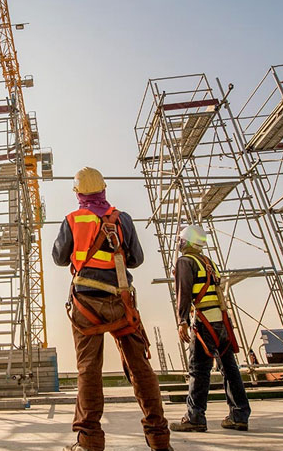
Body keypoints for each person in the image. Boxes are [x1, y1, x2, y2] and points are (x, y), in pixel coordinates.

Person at [53, 167, 171, 451]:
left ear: (78, 193)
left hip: (86, 304)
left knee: (88, 369)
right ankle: (159, 439)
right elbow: (137, 260)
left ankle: (89, 441)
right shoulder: (123, 219)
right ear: (104, 189)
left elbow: (59, 257)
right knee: (140, 367)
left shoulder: (72, 220)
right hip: (122, 302)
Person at [169, 225, 250, 433]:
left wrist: (182, 320)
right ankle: (239, 415)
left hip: (204, 321)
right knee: (229, 368)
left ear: (186, 242)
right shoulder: (209, 263)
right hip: (221, 321)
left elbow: (184, 293)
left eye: (181, 240)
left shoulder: (185, 262)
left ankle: (195, 417)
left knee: (198, 369)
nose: (179, 243)